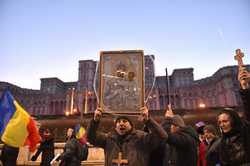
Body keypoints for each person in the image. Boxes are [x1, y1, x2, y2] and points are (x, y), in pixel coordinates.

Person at [87, 106, 167, 166]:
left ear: (131, 125)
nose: (121, 123)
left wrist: (148, 121)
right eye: (118, 121)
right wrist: (95, 121)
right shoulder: (109, 138)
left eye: (124, 121)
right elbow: (91, 137)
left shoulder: (141, 138)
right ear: (115, 126)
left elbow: (162, 137)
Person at [214, 67, 250, 165]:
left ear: (234, 120)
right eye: (220, 122)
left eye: (225, 121)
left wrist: (245, 88)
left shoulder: (245, 132)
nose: (222, 124)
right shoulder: (223, 142)